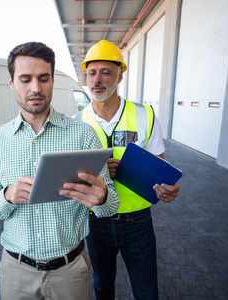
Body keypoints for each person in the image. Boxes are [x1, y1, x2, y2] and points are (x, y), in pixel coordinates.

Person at [0, 42, 120, 300]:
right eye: (25, 79)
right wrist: (7, 195)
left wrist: (102, 198)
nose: (35, 88)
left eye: (44, 78)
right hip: (15, 271)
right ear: (11, 82)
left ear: (53, 80)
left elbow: (111, 206)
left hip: (70, 271)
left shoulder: (83, 135)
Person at [74, 40, 181, 300]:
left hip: (138, 221)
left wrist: (168, 187)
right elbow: (72, 179)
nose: (97, 80)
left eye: (106, 72)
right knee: (102, 288)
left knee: (146, 292)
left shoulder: (144, 115)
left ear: (121, 74)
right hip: (96, 220)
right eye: (92, 73)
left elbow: (160, 167)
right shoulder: (76, 123)